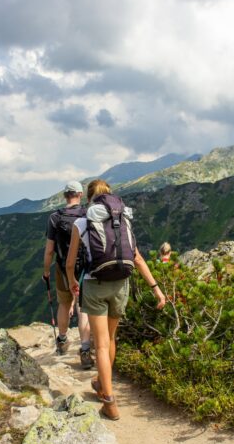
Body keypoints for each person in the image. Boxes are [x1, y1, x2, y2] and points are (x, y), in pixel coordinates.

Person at [66, 179, 166, 420]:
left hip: (95, 283)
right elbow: (138, 258)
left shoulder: (82, 222)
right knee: (111, 339)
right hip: (121, 284)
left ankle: (109, 400)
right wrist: (156, 289)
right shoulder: (123, 220)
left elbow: (70, 262)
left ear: (89, 198)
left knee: (99, 344)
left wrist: (72, 280)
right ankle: (101, 382)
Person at [43, 181, 93, 368]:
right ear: (80, 194)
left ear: (65, 196)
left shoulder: (55, 217)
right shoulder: (87, 214)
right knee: (83, 309)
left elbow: (49, 250)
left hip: (63, 267)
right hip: (86, 267)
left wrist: (46, 270)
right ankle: (86, 350)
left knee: (64, 303)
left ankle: (62, 341)